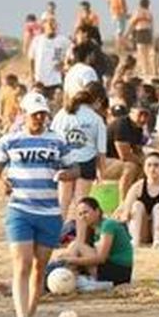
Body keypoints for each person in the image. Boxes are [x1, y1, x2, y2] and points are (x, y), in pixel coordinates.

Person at [0, 92, 79, 317]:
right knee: (22, 264)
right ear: (25, 114)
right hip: (20, 209)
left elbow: (76, 169)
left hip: (50, 212)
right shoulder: (9, 140)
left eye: (43, 114)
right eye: (35, 114)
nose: (40, 118)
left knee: (40, 268)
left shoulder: (57, 140)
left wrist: (66, 174)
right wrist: (1, 183)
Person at [51, 84, 107, 223]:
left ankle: (56, 234)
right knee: (81, 203)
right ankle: (80, 236)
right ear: (95, 102)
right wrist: (101, 172)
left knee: (63, 201)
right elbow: (101, 151)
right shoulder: (96, 118)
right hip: (86, 162)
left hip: (66, 161)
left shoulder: (62, 114)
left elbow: (52, 137)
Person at [49, 196, 134, 287]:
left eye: (85, 212)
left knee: (76, 247)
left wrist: (71, 260)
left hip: (119, 272)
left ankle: (59, 275)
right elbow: (80, 246)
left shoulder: (108, 225)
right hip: (108, 268)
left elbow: (101, 258)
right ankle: (59, 274)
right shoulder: (93, 228)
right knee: (72, 249)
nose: (83, 217)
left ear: (97, 211)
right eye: (80, 214)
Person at [118, 152, 159, 247]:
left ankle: (157, 241)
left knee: (158, 207)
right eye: (149, 165)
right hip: (142, 231)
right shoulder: (137, 186)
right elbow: (125, 211)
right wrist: (125, 216)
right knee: (137, 205)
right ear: (144, 168)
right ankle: (135, 241)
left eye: (156, 165)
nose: (152, 169)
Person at [28, 16, 70, 103]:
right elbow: (31, 59)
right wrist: (32, 76)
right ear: (44, 25)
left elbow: (71, 56)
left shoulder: (63, 41)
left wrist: (64, 64)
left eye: (53, 22)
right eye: (49, 23)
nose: (51, 25)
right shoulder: (37, 40)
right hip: (39, 82)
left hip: (56, 81)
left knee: (56, 107)